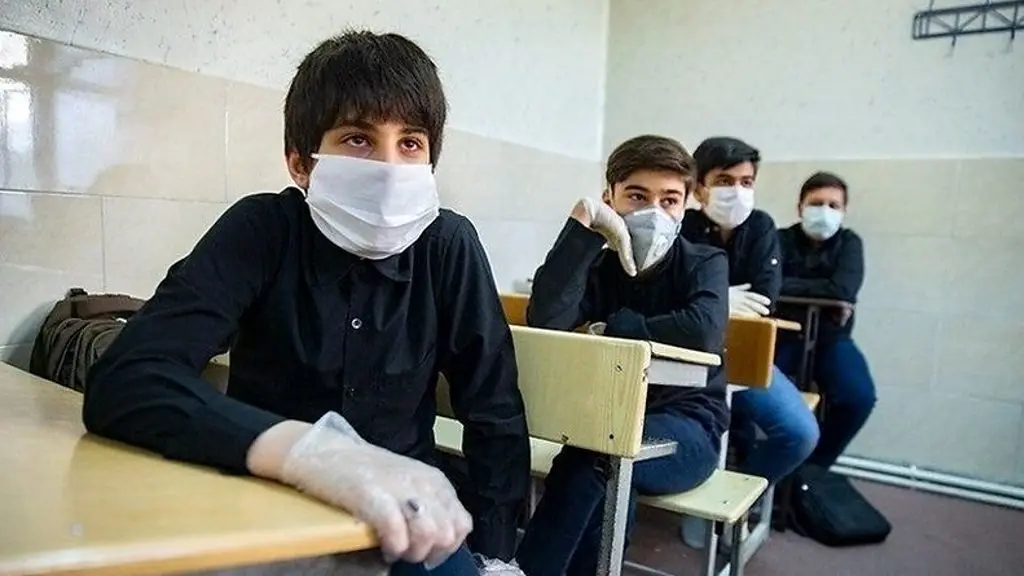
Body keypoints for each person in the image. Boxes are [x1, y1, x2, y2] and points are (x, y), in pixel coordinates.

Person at [83, 30, 530, 576]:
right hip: (268, 506)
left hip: (407, 519)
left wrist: (496, 553)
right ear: (301, 163)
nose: (389, 168)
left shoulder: (447, 246)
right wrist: (310, 454)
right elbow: (127, 379)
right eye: (358, 139)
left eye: (410, 143)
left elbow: (492, 403)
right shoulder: (262, 231)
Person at [514, 135, 729, 576]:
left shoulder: (705, 262)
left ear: (685, 205)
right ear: (609, 197)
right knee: (609, 477)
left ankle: (524, 571)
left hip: (689, 426)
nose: (654, 211)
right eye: (637, 196)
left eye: (669, 200)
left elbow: (703, 331)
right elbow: (547, 318)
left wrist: (616, 326)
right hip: (608, 420)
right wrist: (582, 228)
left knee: (597, 457)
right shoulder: (598, 265)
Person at [680, 136, 819, 486]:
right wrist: (723, 300)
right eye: (724, 181)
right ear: (698, 188)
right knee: (699, 434)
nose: (737, 191)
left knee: (800, 434)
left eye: (746, 182)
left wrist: (708, 299)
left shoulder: (761, 226)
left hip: (744, 353)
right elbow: (672, 297)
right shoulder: (683, 225)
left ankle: (740, 492)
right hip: (691, 354)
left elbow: (764, 300)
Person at [774, 171, 876, 470]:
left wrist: (791, 292)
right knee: (750, 392)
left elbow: (843, 289)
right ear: (800, 207)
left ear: (844, 211)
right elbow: (769, 284)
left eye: (834, 205)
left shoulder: (849, 243)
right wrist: (825, 295)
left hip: (831, 340)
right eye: (816, 203)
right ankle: (763, 464)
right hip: (783, 337)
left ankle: (813, 469)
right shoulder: (780, 239)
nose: (824, 211)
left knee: (858, 398)